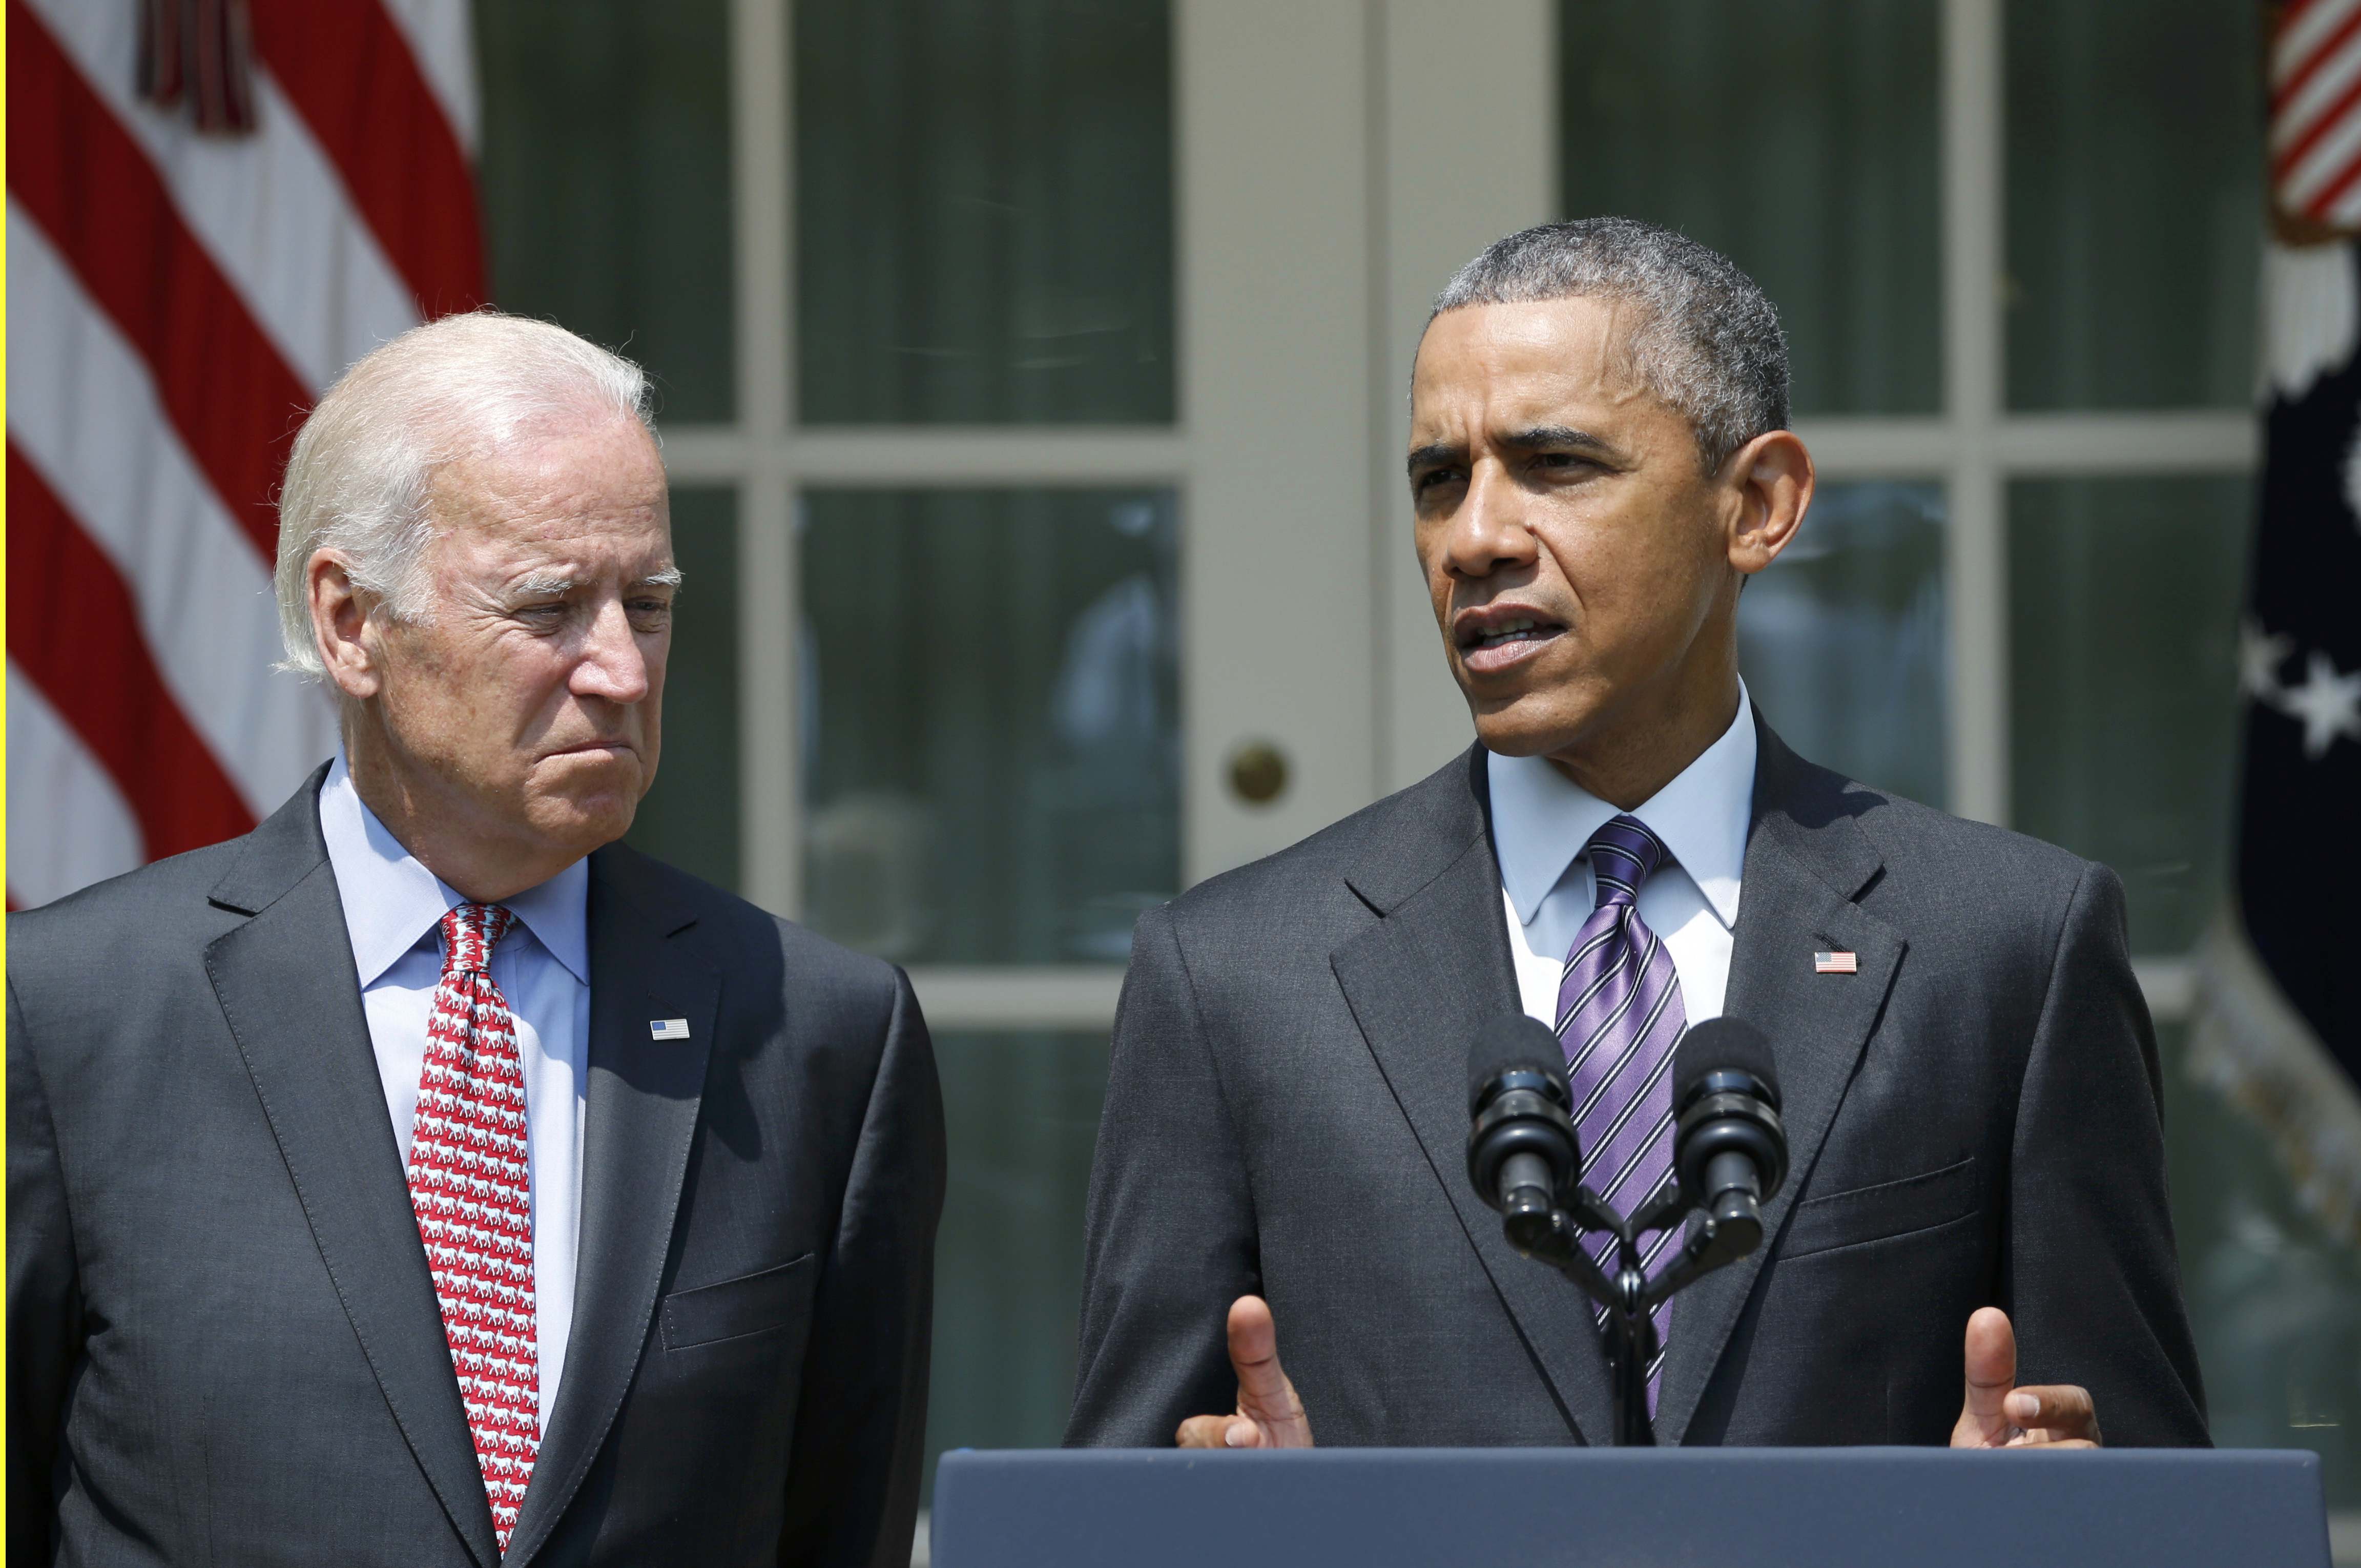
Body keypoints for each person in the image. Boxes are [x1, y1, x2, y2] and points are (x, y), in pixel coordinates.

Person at [1065, 219, 2207, 1452]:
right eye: (1439, 480)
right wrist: (1223, 1530)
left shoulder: (2009, 949)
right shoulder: (1233, 974)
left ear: (1759, 506)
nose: (1474, 539)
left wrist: (2046, 1514)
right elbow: (1114, 1492)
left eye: (1554, 465)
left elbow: (2145, 1482)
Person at [7, 313, 944, 1565]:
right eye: (550, 606)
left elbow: (843, 1524)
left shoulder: (818, 1031)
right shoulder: (69, 1016)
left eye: (649, 604)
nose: (620, 667)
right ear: (350, 623)